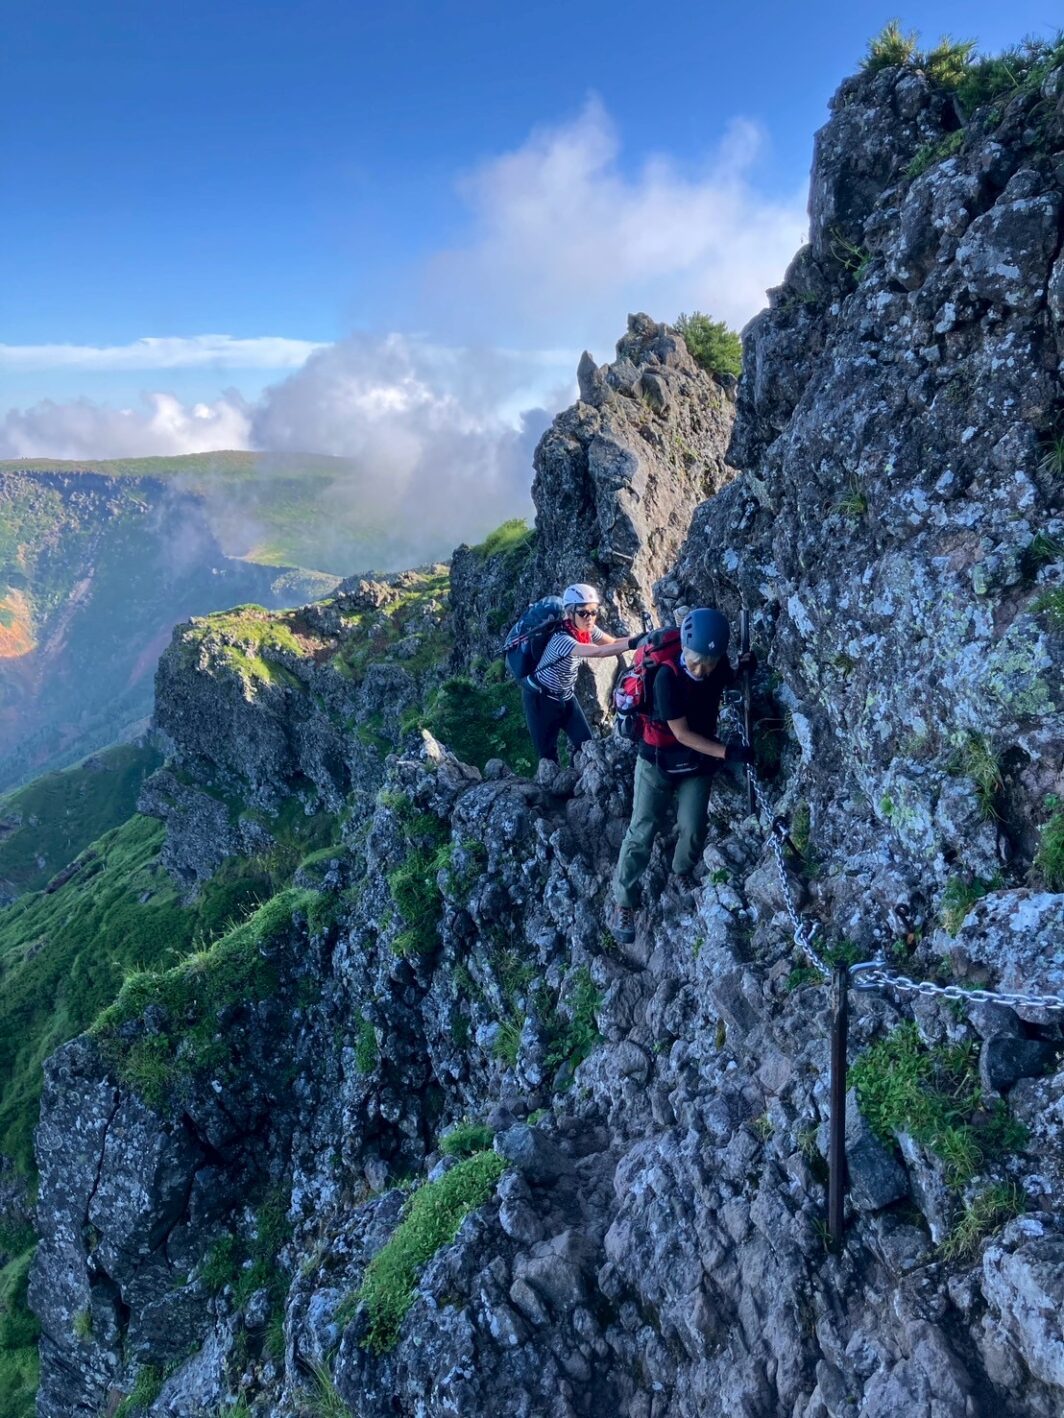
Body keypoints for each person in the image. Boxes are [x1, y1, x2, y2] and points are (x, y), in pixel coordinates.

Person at [611, 607, 755, 944]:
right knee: (642, 830)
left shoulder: (716, 666)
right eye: (695, 661)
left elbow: (723, 680)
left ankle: (681, 872)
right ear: (685, 650)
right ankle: (624, 903)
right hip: (657, 758)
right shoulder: (667, 677)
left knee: (693, 826)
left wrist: (740, 670)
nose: (701, 669)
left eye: (709, 662)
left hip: (697, 761)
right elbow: (682, 734)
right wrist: (728, 752)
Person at [523, 583, 641, 764]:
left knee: (587, 744)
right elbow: (598, 651)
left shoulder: (587, 630)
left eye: (594, 612)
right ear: (570, 613)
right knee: (548, 758)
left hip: (566, 695)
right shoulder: (561, 639)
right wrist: (634, 644)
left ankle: (580, 777)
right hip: (540, 699)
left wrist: (642, 639)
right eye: (583, 613)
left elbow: (612, 642)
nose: (590, 618)